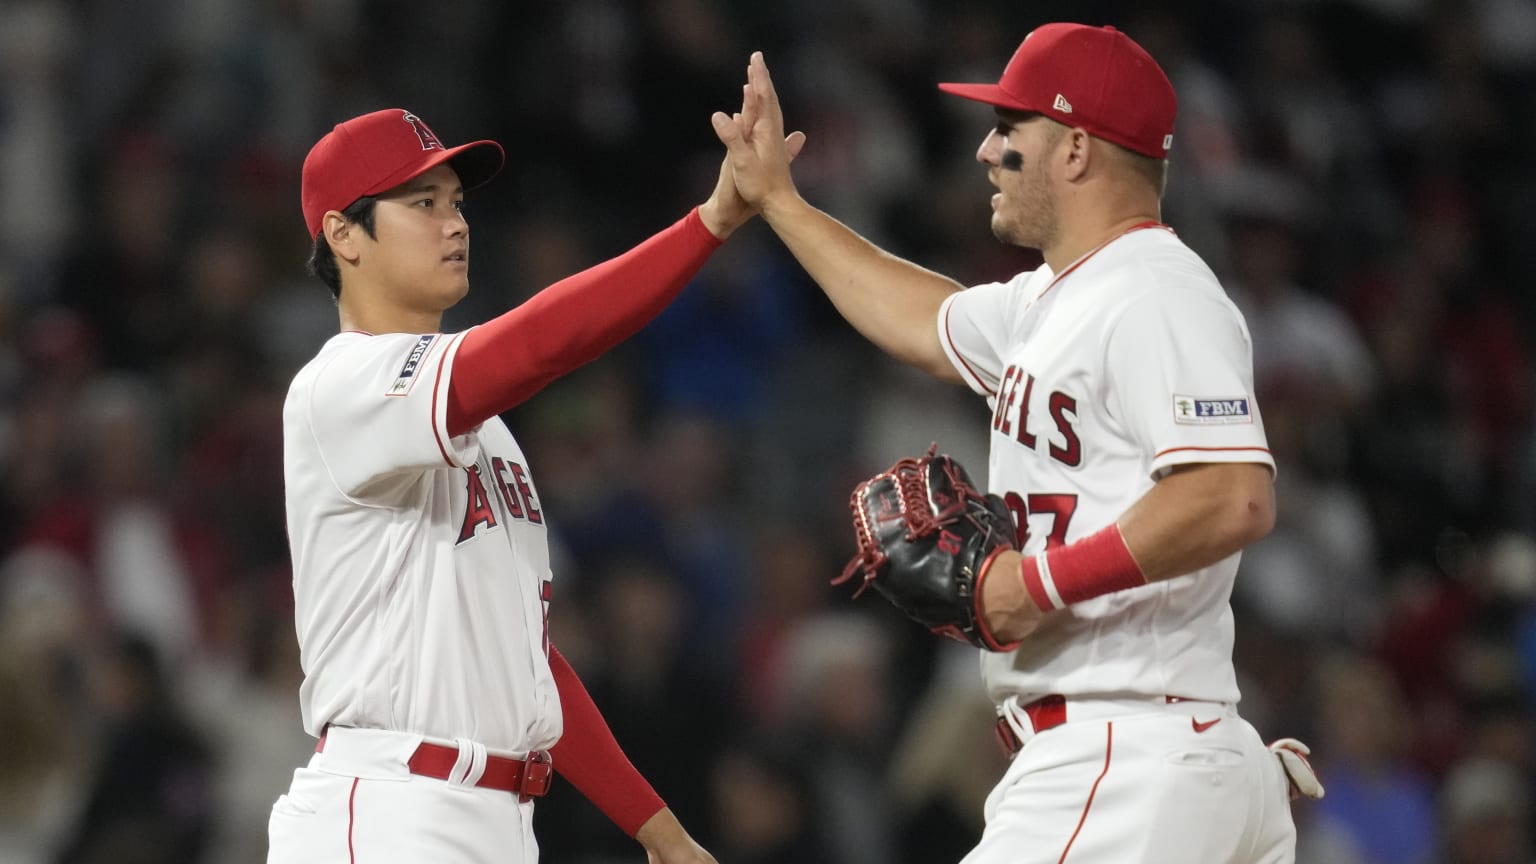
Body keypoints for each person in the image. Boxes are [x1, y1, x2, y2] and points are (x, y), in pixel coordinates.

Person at [714, 24, 1305, 863]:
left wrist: (1033, 583)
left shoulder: (1156, 293)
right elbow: (919, 315)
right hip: (1157, 755)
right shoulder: (1055, 301)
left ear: (1073, 150)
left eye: (1009, 129)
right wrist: (780, 201)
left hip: (1122, 756)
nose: (987, 149)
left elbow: (1232, 494)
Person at [269, 107, 802, 864]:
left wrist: (658, 830)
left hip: (494, 818)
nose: (454, 224)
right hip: (388, 805)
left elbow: (524, 659)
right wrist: (710, 222)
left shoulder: (486, 434)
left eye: (456, 202)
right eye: (422, 203)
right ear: (343, 234)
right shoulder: (340, 385)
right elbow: (542, 342)